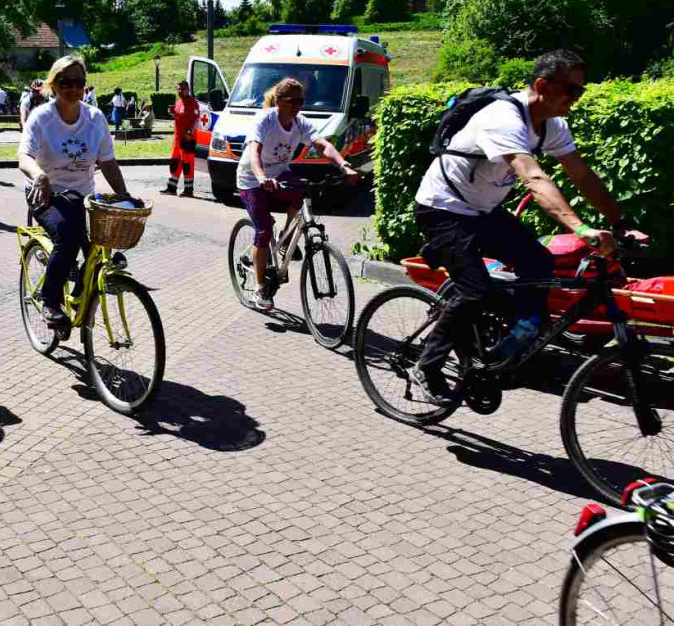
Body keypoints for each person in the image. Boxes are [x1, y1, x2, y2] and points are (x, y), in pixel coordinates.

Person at [410, 49, 648, 405]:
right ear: (542, 85)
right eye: (572, 90)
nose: (577, 99)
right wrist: (580, 228)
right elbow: (534, 178)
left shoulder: (551, 124)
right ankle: (425, 369)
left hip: (483, 210)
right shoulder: (503, 118)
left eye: (581, 91)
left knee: (538, 263)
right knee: (474, 291)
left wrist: (621, 223)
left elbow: (581, 174)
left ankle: (517, 340)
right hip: (442, 209)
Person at [18, 55, 130, 330]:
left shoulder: (95, 118)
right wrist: (38, 174)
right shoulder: (41, 118)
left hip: (83, 196)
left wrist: (125, 196)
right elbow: (23, 157)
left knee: (101, 245)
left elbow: (108, 163)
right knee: (67, 238)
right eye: (66, 82)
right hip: (46, 194)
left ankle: (80, 295)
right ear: (54, 84)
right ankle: (51, 303)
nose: (74, 88)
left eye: (79, 82)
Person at [237, 77, 355, 311]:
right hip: (251, 179)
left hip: (280, 173)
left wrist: (342, 164)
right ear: (279, 101)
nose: (298, 106)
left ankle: (287, 236)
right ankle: (261, 288)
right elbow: (255, 152)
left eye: (301, 101)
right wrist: (261, 177)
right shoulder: (265, 120)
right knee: (263, 230)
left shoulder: (300, 122)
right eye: (293, 101)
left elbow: (323, 145)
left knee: (302, 189)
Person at [162, 80, 201, 197]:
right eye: (178, 89)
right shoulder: (179, 103)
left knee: (187, 164)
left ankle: (189, 190)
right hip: (178, 139)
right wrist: (173, 113)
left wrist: (190, 132)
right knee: (175, 162)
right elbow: (181, 117)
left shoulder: (193, 103)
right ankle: (172, 188)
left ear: (188, 89)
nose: (180, 91)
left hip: (187, 139)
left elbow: (196, 119)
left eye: (182, 89)